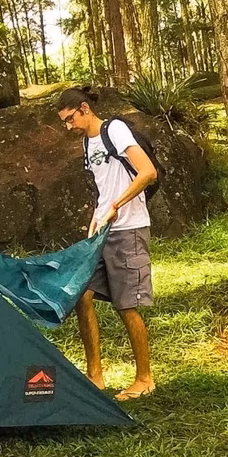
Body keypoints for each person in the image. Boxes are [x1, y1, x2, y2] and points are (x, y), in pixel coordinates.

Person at [55, 87, 158, 399]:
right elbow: (103, 187)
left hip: (129, 229)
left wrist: (117, 205)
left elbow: (147, 173)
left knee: (126, 306)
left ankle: (145, 379)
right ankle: (94, 375)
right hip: (102, 231)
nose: (68, 126)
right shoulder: (88, 142)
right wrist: (95, 222)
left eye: (70, 118)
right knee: (82, 295)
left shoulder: (114, 129)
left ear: (85, 108)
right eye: (64, 122)